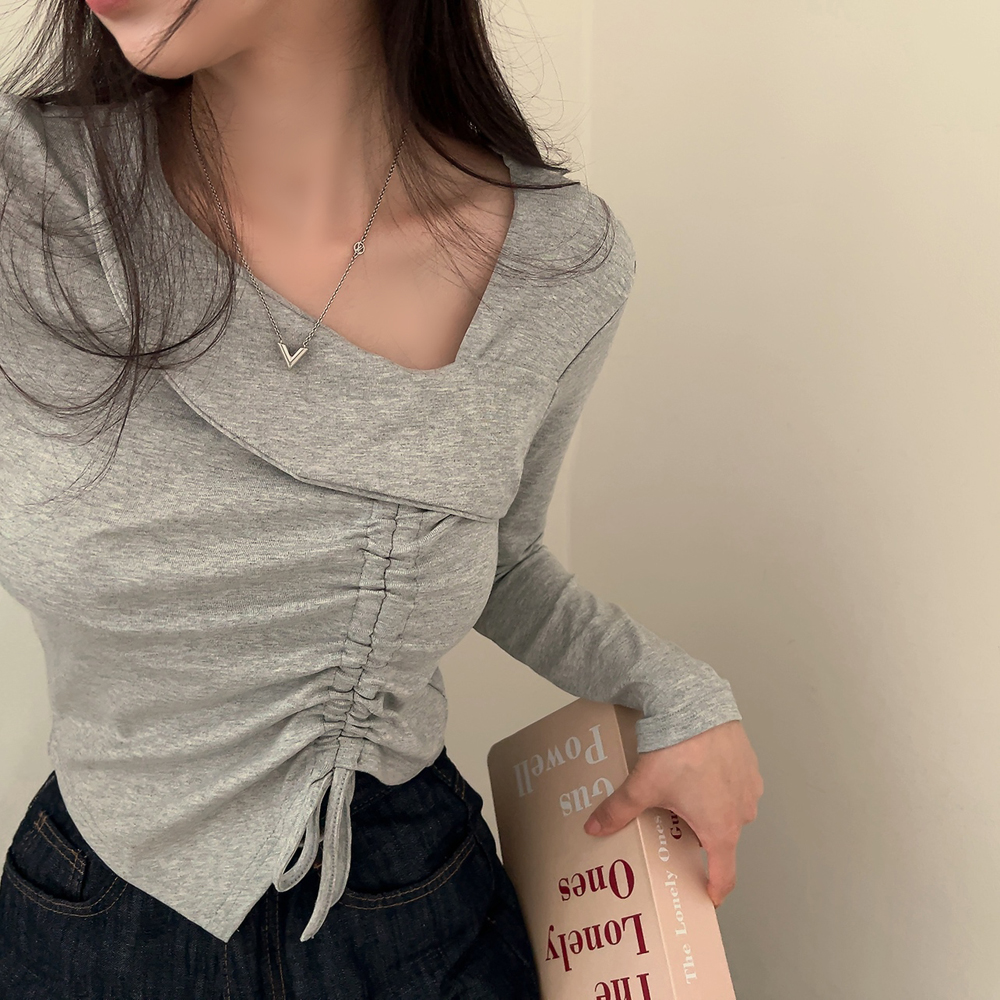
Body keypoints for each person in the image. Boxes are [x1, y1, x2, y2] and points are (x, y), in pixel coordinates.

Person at [0, 0, 764, 997]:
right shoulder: (27, 201)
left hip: (412, 916)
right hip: (88, 922)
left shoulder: (557, 266)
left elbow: (498, 559)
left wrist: (678, 693)